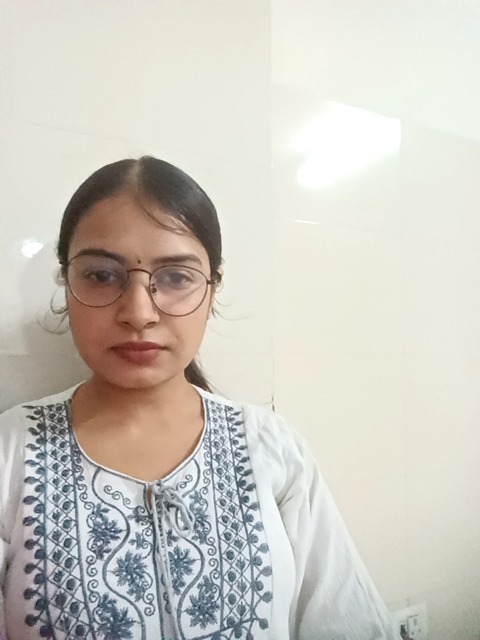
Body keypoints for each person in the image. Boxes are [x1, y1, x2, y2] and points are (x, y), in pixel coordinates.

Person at [0, 156, 395, 639]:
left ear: (213, 289)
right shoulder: (11, 452)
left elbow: (346, 622)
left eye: (175, 277)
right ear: (67, 282)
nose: (139, 312)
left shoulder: (271, 447)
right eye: (101, 275)